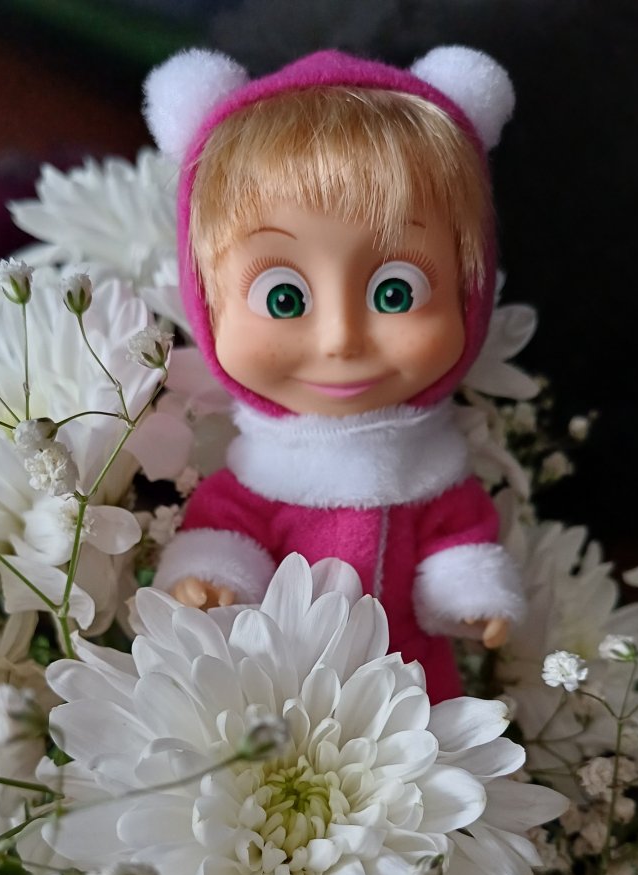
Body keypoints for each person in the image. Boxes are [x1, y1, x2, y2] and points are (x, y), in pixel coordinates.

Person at [143, 46, 524, 700]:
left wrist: (467, 591)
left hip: (412, 687)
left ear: (470, 293)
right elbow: (226, 531)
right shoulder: (258, 479)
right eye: (283, 298)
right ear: (207, 302)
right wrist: (210, 578)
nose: (341, 338)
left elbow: (458, 535)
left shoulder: (432, 475)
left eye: (395, 293)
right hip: (270, 687)